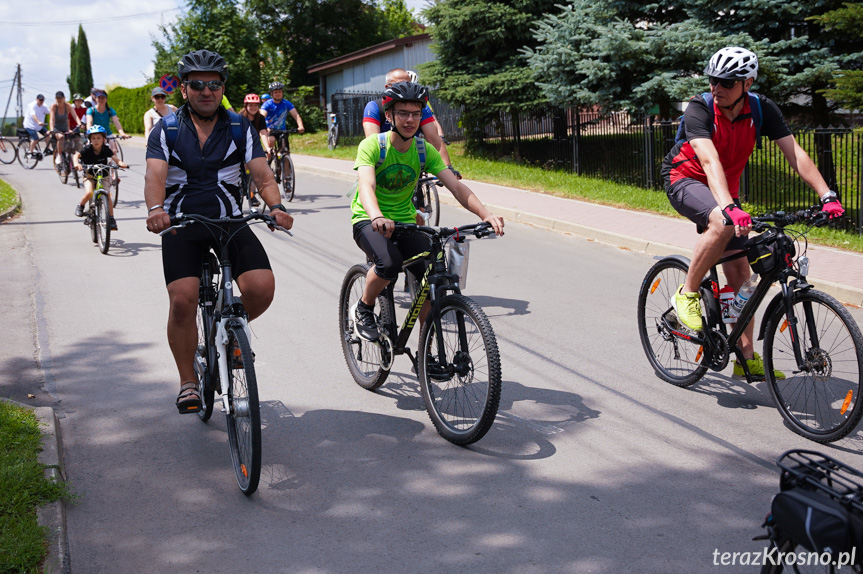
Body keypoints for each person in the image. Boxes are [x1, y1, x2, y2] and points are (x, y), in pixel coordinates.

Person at [661, 46, 845, 380]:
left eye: (727, 82)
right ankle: (686, 294)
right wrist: (729, 207)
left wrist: (827, 194)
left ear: (747, 83)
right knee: (721, 221)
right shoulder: (699, 108)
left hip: (723, 190)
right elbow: (708, 160)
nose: (717, 87)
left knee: (741, 276)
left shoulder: (762, 110)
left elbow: (795, 153)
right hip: (685, 179)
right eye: (714, 80)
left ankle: (745, 360)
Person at [143, 49, 293, 414]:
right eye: (197, 85)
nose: (206, 91)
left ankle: (226, 333)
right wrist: (155, 210)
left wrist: (275, 206)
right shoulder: (167, 129)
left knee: (261, 288)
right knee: (183, 300)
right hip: (181, 224)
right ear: (184, 90)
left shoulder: (240, 128)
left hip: (229, 222)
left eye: (213, 84)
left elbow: (262, 174)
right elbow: (154, 176)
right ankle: (188, 382)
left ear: (222, 87)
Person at [349, 81, 504, 341]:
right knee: (389, 264)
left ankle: (426, 348)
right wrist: (376, 215)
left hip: (406, 221)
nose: (410, 120)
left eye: (416, 114)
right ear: (389, 116)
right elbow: (366, 185)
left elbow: (456, 187)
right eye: (403, 113)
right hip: (368, 219)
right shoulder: (374, 145)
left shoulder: (423, 150)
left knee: (433, 276)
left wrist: (485, 215)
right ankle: (364, 307)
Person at [363, 68, 454, 169]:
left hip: (412, 158)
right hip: (384, 161)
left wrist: (448, 166)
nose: (404, 88)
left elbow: (434, 139)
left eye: (407, 84)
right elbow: (373, 142)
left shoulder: (422, 108)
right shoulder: (374, 107)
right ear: (387, 87)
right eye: (403, 113)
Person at [72, 125, 128, 230]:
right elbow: (76, 155)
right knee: (89, 192)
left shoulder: (105, 149)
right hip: (89, 174)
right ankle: (81, 205)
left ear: (104, 139)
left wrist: (120, 163)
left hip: (103, 175)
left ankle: (111, 219)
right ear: (90, 140)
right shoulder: (87, 149)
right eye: (93, 138)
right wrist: (76, 163)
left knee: (107, 195)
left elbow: (114, 157)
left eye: (99, 138)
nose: (96, 140)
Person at [239, 93, 271, 207]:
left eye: (255, 105)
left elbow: (263, 133)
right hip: (241, 144)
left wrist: (267, 148)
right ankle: (239, 186)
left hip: (254, 145)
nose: (253, 108)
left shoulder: (260, 118)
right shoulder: (241, 117)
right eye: (250, 105)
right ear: (246, 105)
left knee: (254, 170)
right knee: (242, 168)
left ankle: (252, 196)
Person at [85, 88, 128, 156]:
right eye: (99, 98)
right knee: (89, 153)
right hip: (95, 134)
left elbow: (116, 122)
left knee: (113, 152)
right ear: (96, 99)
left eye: (103, 98)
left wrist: (122, 133)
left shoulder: (110, 110)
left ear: (106, 99)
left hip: (107, 134)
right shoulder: (91, 110)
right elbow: (89, 122)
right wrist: (89, 133)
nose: (101, 100)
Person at [49, 91, 80, 165]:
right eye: (57, 98)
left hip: (65, 129)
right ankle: (59, 155)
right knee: (61, 137)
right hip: (57, 129)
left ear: (64, 98)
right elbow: (52, 119)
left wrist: (79, 124)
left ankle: (72, 157)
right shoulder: (54, 107)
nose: (59, 100)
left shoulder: (68, 106)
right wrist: (52, 130)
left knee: (74, 137)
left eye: (60, 98)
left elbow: (75, 116)